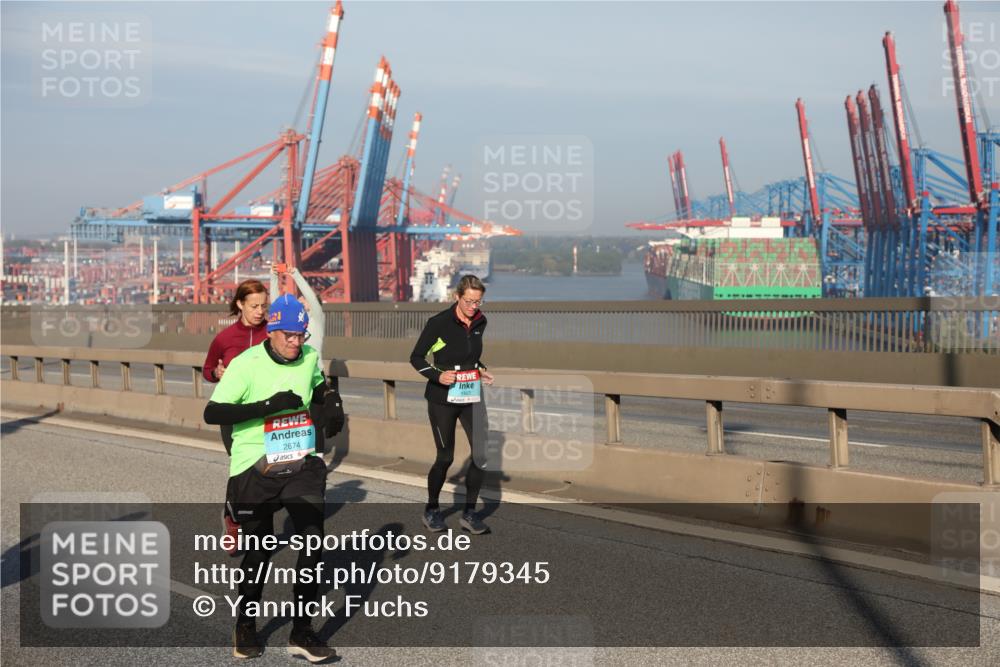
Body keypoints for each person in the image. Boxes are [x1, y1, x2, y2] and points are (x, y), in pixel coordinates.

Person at [204, 294, 345, 661]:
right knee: (259, 551)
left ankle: (302, 632)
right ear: (272, 331)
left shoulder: (309, 356)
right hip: (255, 462)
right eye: (289, 336)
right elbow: (213, 411)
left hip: (301, 460)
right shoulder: (246, 364)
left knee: (313, 541)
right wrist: (268, 406)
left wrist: (331, 402)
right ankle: (246, 625)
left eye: (301, 335)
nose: (296, 343)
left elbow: (317, 385)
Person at [409, 275, 495, 535]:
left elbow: (469, 355)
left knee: (481, 456)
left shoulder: (481, 321)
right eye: (468, 301)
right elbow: (416, 357)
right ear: (457, 297)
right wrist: (438, 375)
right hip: (442, 398)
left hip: (471, 394)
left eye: (478, 302)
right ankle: (432, 510)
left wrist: (480, 369)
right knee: (445, 457)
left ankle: (469, 513)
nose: (473, 307)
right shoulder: (439, 323)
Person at [203, 279, 270, 555]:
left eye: (264, 306)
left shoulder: (274, 333)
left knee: (268, 470)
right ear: (240, 304)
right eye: (253, 306)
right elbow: (207, 369)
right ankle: (232, 518)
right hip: (232, 414)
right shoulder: (225, 338)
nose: (259, 311)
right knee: (243, 469)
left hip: (267, 412)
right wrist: (216, 374)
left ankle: (259, 523)